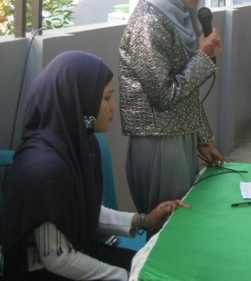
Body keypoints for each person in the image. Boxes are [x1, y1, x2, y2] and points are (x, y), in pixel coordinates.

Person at [0, 51, 189, 280]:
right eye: (107, 98)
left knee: (160, 267)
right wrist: (124, 276)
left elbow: (84, 209)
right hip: (48, 272)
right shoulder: (44, 170)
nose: (113, 106)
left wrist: (143, 220)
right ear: (81, 103)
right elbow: (57, 257)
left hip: (79, 252)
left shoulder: (80, 143)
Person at [119, 0, 224, 215]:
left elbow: (185, 93)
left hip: (179, 138)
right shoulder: (149, 22)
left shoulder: (178, 16)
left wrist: (200, 139)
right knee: (168, 225)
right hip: (158, 145)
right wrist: (203, 57)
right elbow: (163, 96)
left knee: (184, 221)